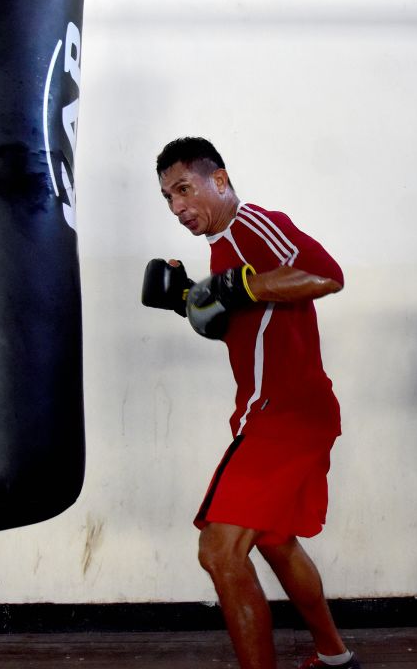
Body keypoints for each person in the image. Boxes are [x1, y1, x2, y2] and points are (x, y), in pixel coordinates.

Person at [143, 137, 361, 669]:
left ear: (218, 179)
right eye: (168, 198)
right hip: (273, 412)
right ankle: (336, 659)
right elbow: (252, 326)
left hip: (285, 414)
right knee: (275, 540)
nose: (177, 207)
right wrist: (191, 300)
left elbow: (327, 275)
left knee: (219, 552)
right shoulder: (221, 248)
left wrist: (234, 289)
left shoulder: (251, 224)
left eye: (184, 189)